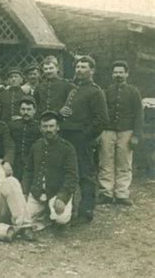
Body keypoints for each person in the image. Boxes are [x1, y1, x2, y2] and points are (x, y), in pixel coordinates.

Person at [60, 55, 109, 224]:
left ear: (92, 70)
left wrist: (84, 136)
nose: (79, 70)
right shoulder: (74, 90)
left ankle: (86, 211)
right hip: (67, 137)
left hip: (82, 140)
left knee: (85, 174)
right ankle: (66, 211)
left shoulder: (96, 91)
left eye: (83, 67)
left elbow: (102, 120)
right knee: (68, 173)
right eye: (77, 67)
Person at [23, 111, 78, 231]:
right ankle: (45, 214)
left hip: (56, 192)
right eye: (45, 126)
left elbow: (72, 176)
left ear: (57, 127)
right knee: (22, 219)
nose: (48, 130)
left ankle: (63, 209)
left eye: (51, 126)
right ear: (40, 128)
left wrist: (62, 197)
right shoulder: (36, 146)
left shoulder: (67, 148)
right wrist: (25, 192)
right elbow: (29, 171)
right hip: (38, 192)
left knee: (61, 219)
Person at [98, 61, 143, 206]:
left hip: (126, 132)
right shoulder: (107, 91)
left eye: (121, 72)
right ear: (112, 74)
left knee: (124, 162)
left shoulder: (133, 92)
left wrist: (136, 135)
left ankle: (122, 193)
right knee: (105, 161)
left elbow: (138, 115)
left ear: (127, 73)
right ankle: (106, 192)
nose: (118, 75)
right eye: (115, 72)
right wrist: (100, 132)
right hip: (108, 131)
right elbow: (101, 113)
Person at [9, 96, 41, 181]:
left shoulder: (39, 127)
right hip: (15, 162)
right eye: (23, 109)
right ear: (19, 110)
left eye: (29, 109)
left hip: (33, 162)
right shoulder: (13, 125)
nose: (25, 112)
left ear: (34, 110)